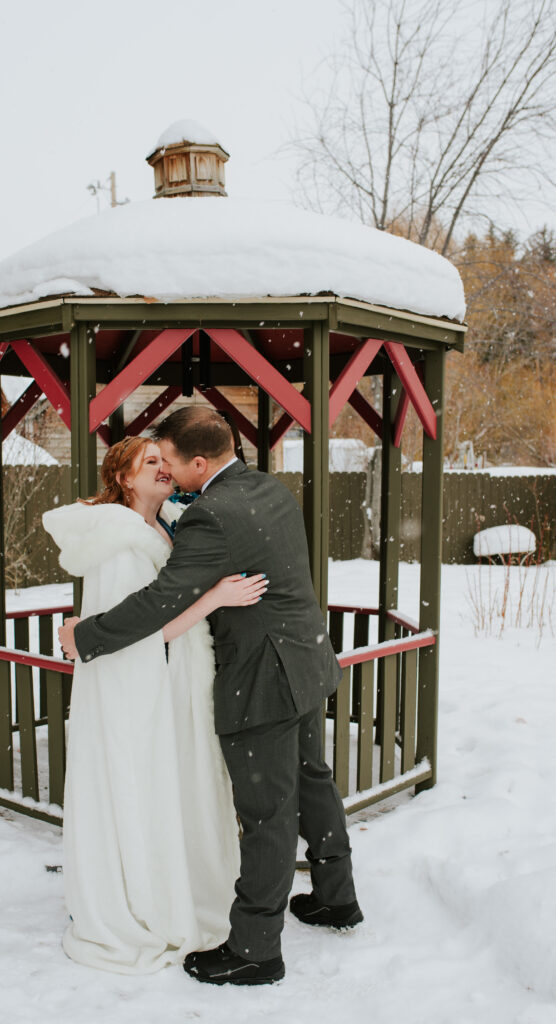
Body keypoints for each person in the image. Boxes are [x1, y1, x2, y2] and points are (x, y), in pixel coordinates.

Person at [59, 407, 362, 986]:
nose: (167, 471)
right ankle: (336, 897)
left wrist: (85, 636)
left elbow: (159, 602)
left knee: (267, 812)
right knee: (313, 782)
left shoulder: (212, 517)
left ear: (199, 462)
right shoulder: (266, 489)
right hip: (305, 660)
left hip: (264, 676)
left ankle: (254, 951)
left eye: (170, 460)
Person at [43, 435, 268, 974]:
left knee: (176, 781)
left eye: (165, 461)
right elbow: (144, 630)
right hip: (132, 683)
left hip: (169, 677)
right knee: (142, 782)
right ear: (124, 477)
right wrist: (216, 597)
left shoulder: (164, 525)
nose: (164, 469)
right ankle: (143, 899)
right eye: (151, 463)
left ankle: (179, 883)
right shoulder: (120, 540)